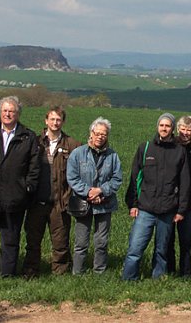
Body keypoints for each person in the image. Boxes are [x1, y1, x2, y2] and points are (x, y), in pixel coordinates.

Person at [0, 96, 40, 277]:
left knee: (10, 239)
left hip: (15, 197)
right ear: (0, 112)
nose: (8, 114)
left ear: (18, 114)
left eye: (12, 111)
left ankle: (7, 273)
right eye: (5, 110)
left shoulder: (28, 136)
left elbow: (34, 167)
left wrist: (27, 187)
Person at [122, 113, 190, 280]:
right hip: (145, 208)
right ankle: (129, 278)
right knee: (135, 248)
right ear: (157, 127)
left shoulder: (179, 151)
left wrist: (181, 210)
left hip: (167, 210)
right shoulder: (145, 148)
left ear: (172, 128)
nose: (164, 128)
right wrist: (133, 204)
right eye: (161, 125)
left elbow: (184, 183)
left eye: (167, 126)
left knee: (162, 250)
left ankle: (157, 279)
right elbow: (135, 178)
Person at [23, 107, 81, 277]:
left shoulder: (72, 145)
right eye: (52, 119)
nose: (55, 123)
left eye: (59, 120)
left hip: (60, 203)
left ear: (63, 122)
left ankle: (60, 273)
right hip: (36, 202)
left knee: (60, 242)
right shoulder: (35, 142)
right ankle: (30, 271)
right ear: (46, 120)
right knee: (33, 241)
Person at [66, 117, 122, 274]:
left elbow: (117, 179)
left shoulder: (113, 156)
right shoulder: (78, 153)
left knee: (101, 241)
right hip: (83, 203)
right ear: (91, 133)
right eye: (97, 133)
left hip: (105, 203)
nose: (100, 137)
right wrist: (89, 192)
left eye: (103, 134)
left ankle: (99, 272)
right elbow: (72, 177)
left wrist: (101, 191)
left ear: (107, 136)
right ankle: (78, 272)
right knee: (81, 241)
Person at [162, 115, 191, 277]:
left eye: (189, 130)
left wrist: (186, 190)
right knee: (168, 238)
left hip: (187, 203)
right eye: (183, 129)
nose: (185, 132)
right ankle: (170, 271)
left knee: (185, 240)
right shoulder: (169, 146)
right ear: (177, 129)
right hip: (168, 200)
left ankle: (186, 273)